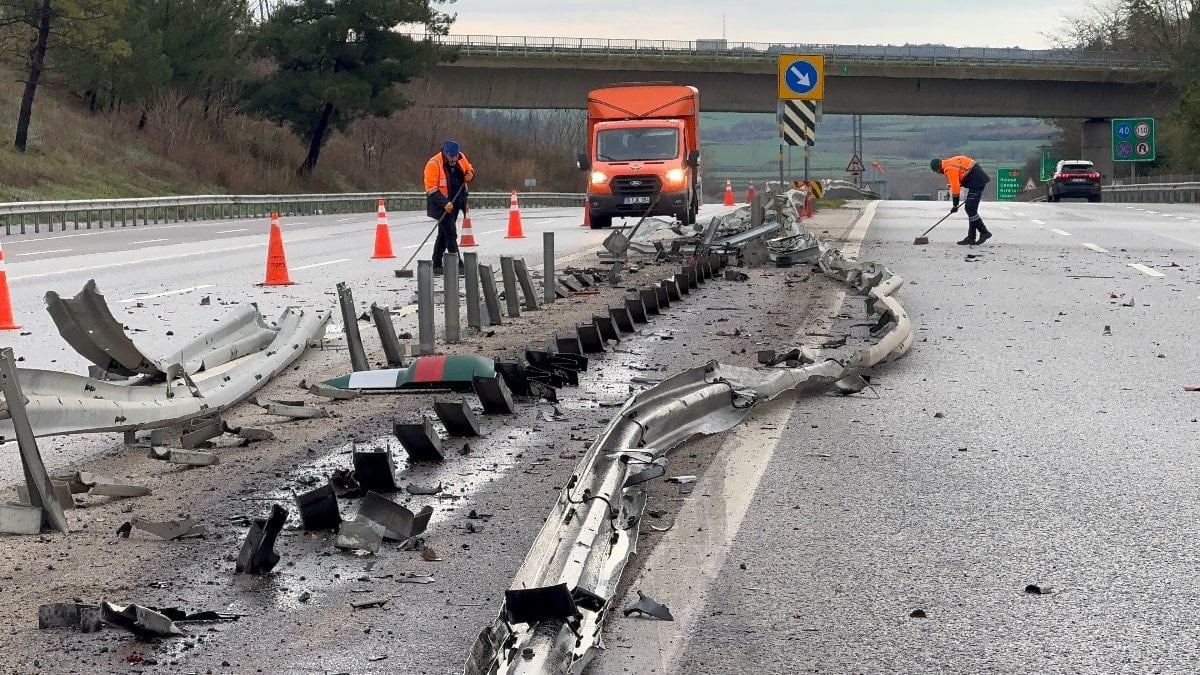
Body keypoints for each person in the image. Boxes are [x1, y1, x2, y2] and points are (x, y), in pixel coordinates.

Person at [424, 140, 475, 274]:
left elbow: (469, 169)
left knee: (443, 234)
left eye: (455, 156)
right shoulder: (434, 164)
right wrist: (444, 203)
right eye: (451, 156)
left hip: (456, 203)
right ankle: (458, 265)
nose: (453, 159)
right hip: (441, 204)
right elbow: (431, 189)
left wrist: (470, 175)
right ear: (445, 153)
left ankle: (436, 264)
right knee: (451, 233)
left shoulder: (461, 157)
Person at [930, 156, 992, 245]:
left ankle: (984, 232)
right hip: (976, 179)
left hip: (977, 181)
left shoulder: (949, 169)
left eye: (936, 171)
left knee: (970, 209)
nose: (938, 173)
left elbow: (955, 187)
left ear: (938, 168)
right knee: (971, 210)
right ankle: (971, 238)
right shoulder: (949, 163)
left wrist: (955, 205)